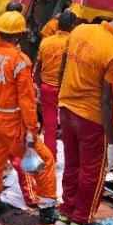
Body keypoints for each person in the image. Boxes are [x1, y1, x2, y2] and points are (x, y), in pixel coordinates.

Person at [55, 8, 113, 225]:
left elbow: (62, 68)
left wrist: (61, 96)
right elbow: (107, 101)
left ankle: (65, 213)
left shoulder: (80, 30)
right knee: (92, 172)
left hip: (66, 110)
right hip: (91, 119)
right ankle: (81, 221)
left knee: (72, 165)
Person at [0, 11, 58, 224]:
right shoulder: (20, 61)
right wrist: (32, 129)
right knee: (43, 162)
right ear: (17, 36)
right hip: (12, 124)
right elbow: (26, 101)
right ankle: (47, 209)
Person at [35, 10, 76, 158]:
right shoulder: (74, 44)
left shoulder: (46, 42)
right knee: (70, 125)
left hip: (47, 88)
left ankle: (49, 156)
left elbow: (38, 67)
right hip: (67, 89)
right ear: (72, 26)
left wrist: (38, 87)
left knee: (50, 125)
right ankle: (71, 157)